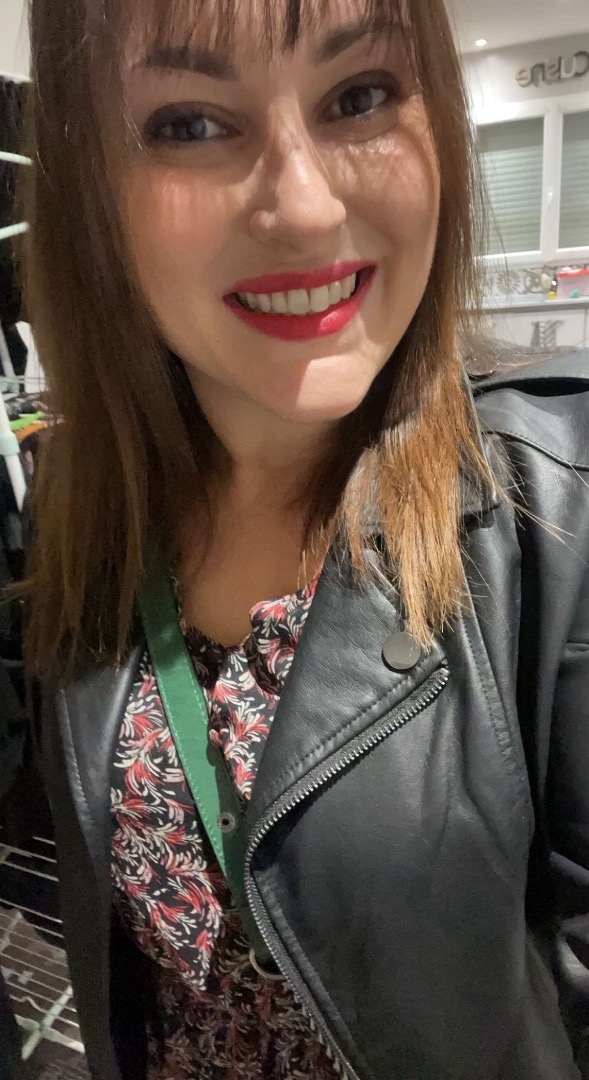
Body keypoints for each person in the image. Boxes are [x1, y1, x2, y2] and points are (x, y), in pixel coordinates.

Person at [19, 0, 589, 1077]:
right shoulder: (86, 505)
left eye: (358, 96)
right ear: (90, 186)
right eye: (189, 123)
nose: (305, 206)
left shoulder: (557, 508)